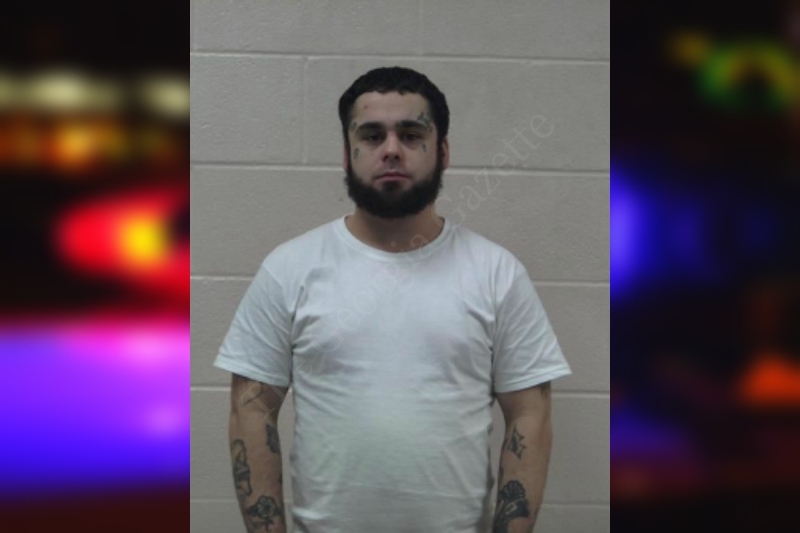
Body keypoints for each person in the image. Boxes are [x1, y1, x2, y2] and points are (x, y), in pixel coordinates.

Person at [214, 66, 571, 533]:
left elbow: (529, 413)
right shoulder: (289, 268)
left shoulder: (496, 273)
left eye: (411, 134)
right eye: (371, 135)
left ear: (443, 152)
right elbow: (251, 408)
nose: (391, 150)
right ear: (347, 154)